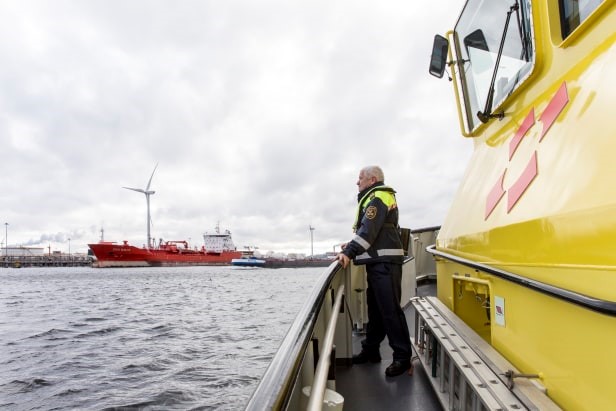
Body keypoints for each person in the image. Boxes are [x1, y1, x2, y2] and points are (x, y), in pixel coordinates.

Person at [336, 165, 412, 377]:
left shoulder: (377, 197)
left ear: (372, 179)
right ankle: (371, 350)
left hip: (385, 263)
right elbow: (373, 231)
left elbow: (369, 231)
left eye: (360, 178)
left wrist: (349, 252)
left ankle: (402, 357)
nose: (357, 181)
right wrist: (351, 244)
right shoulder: (375, 196)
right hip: (378, 261)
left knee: (390, 310)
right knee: (376, 310)